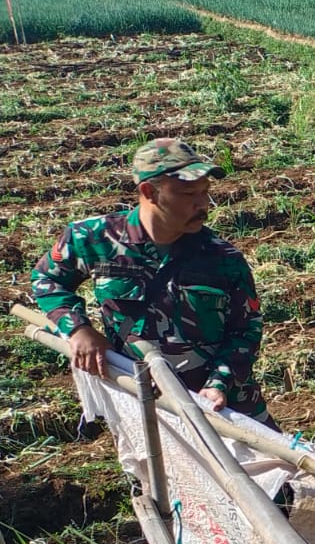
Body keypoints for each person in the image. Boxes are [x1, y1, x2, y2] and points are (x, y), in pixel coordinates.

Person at [31, 138, 271, 422]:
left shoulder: (224, 259)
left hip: (222, 407)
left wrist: (218, 384)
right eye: (189, 193)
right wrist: (78, 329)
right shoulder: (93, 239)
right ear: (149, 192)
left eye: (206, 192)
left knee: (275, 465)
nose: (203, 204)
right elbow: (48, 279)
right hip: (144, 402)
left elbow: (246, 330)